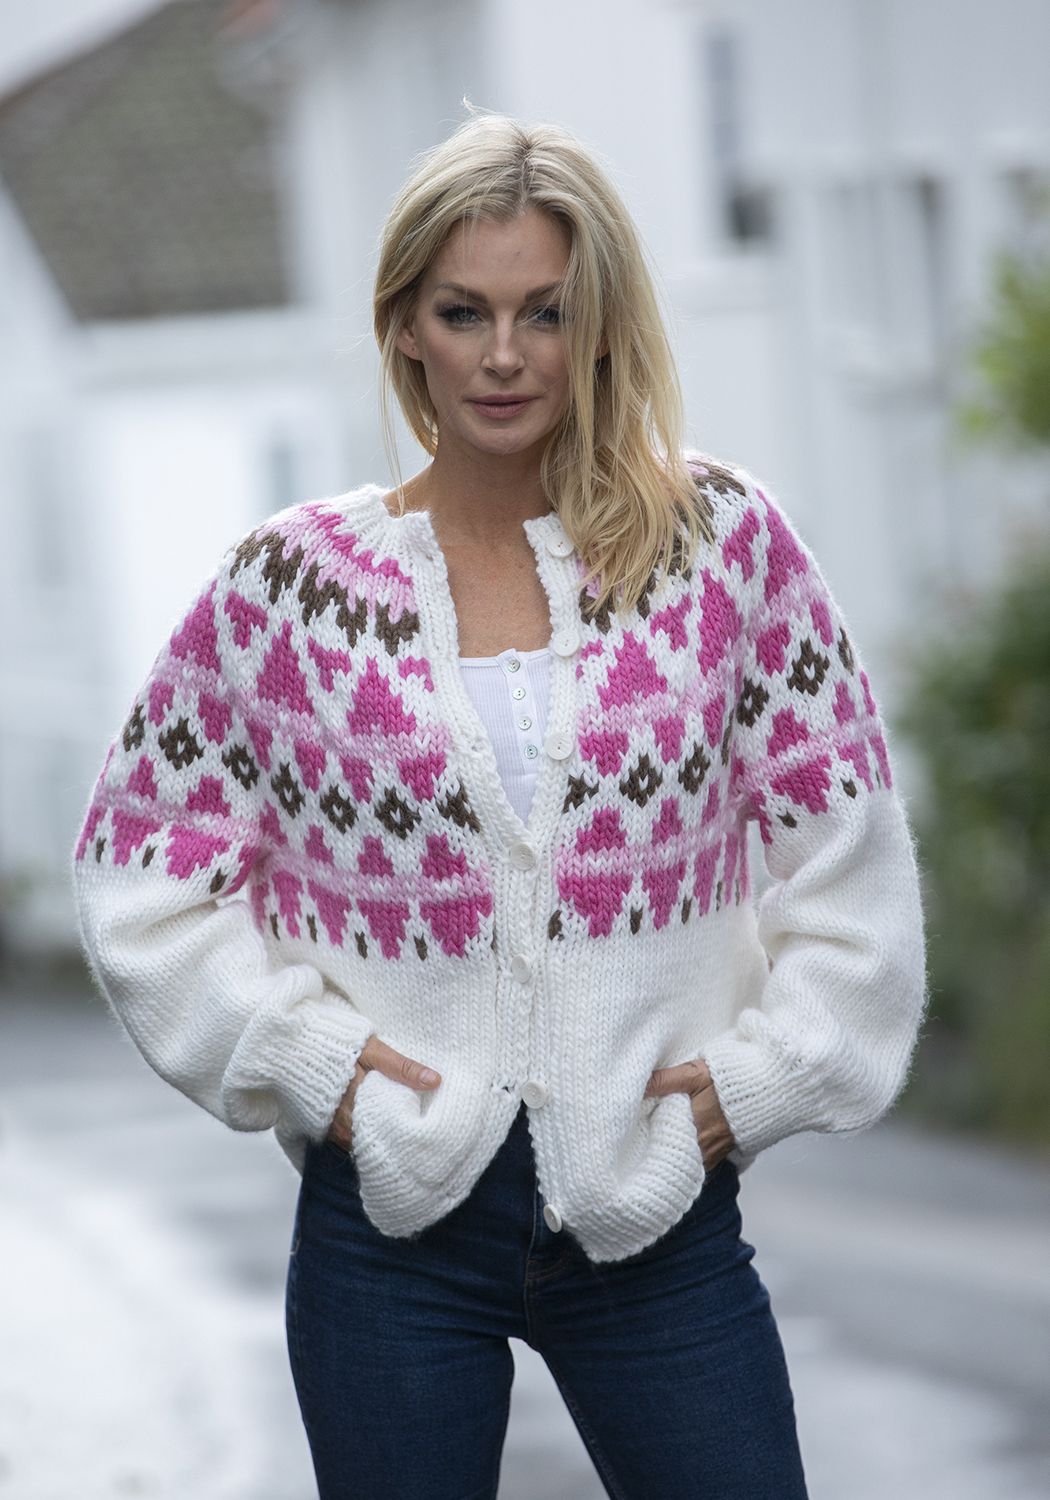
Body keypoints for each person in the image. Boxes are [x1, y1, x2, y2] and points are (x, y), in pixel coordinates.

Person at [74, 115, 925, 1500]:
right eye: (463, 311)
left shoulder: (721, 551)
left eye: (548, 311)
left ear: (601, 327)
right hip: (387, 1237)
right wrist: (310, 1064)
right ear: (404, 326)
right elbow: (140, 877)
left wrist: (757, 1084)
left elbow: (852, 861)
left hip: (657, 1219)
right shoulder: (289, 594)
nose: (505, 353)